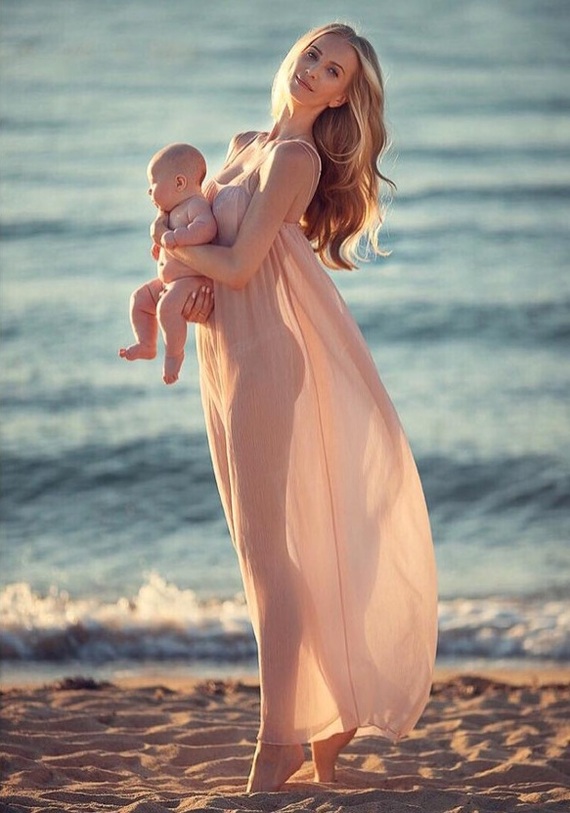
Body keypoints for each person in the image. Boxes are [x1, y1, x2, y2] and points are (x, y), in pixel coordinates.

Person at [152, 23, 438, 793]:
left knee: (267, 554)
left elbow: (241, 266)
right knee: (265, 551)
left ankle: (279, 737)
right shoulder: (246, 141)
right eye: (313, 54)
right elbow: (216, 256)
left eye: (333, 70)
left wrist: (178, 258)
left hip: (267, 362)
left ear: (345, 94)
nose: (315, 71)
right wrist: (184, 266)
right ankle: (322, 716)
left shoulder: (296, 159)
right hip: (225, 355)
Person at [119, 142, 217, 384]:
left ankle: (174, 355)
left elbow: (207, 228)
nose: (148, 192)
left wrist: (177, 238)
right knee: (140, 298)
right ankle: (146, 344)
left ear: (179, 183)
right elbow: (164, 240)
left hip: (190, 281)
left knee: (167, 308)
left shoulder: (195, 205)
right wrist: (161, 245)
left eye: (152, 185)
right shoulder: (170, 213)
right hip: (170, 281)